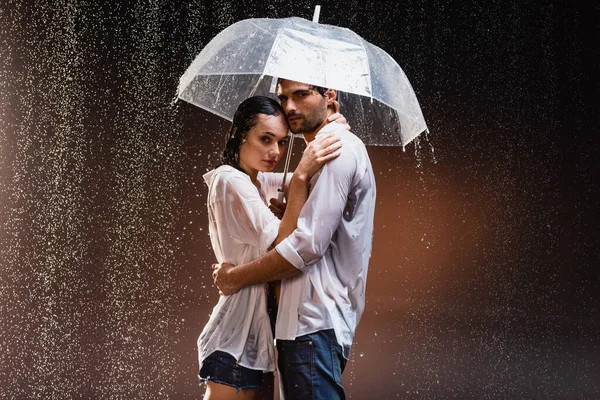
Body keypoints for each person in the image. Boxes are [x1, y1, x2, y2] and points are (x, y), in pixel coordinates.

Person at [212, 80, 376, 400]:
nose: (289, 107)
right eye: (284, 97)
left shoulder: (333, 150)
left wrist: (234, 277)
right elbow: (248, 181)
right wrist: (296, 202)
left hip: (311, 324)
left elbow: (306, 247)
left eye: (301, 95)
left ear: (330, 96)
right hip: (305, 324)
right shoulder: (318, 151)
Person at [197, 95, 343, 400]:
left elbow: (319, 176)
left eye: (282, 142)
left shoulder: (256, 182)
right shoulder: (230, 180)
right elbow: (284, 244)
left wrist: (329, 129)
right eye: (265, 139)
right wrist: (300, 176)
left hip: (256, 340)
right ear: (239, 133)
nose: (275, 152)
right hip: (236, 339)